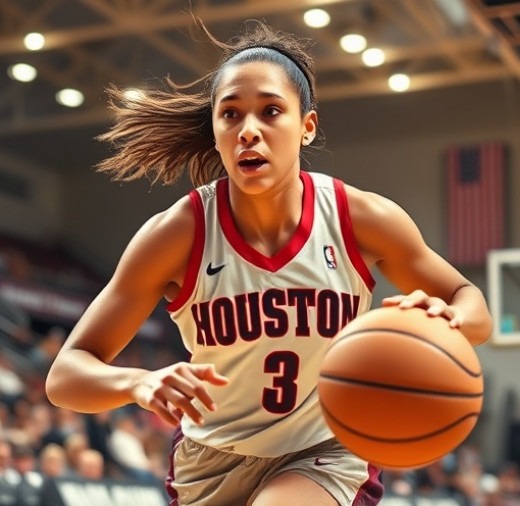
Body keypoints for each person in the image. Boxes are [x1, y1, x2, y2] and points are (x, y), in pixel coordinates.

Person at [45, 19, 492, 506]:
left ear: (307, 127)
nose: (248, 131)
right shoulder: (178, 234)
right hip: (209, 460)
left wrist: (451, 319)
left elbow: (471, 303)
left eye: (271, 111)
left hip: (324, 450)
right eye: (230, 115)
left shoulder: (359, 218)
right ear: (216, 130)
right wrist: (138, 382)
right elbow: (65, 376)